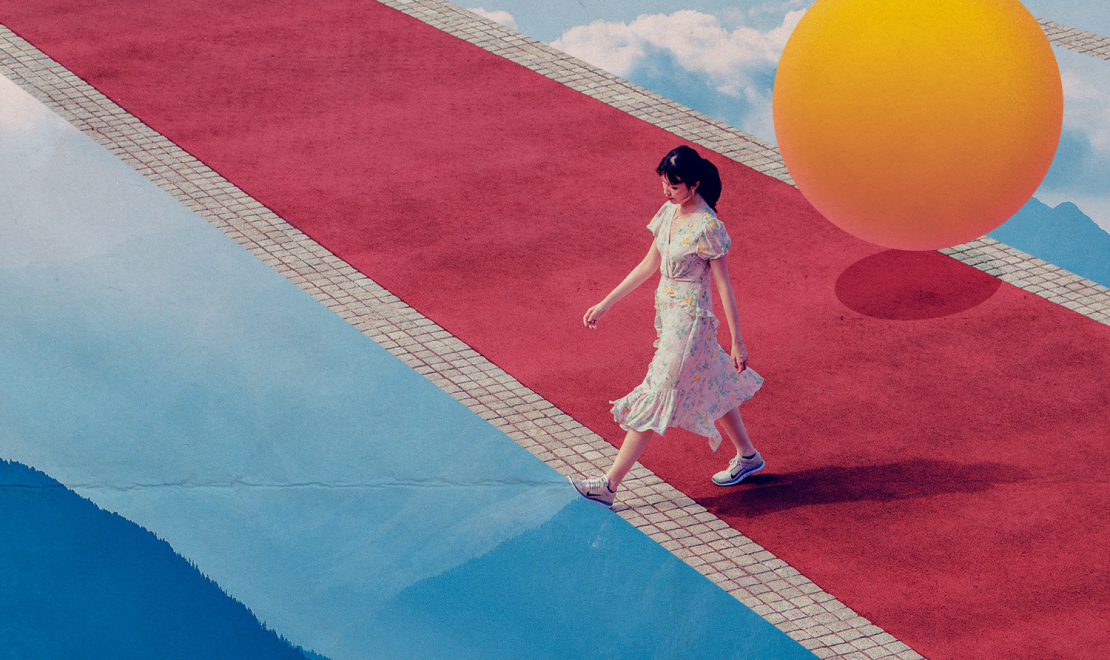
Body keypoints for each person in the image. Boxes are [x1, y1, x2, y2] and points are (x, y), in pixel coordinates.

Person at [570, 146, 765, 507]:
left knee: (655, 392)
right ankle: (749, 457)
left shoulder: (708, 227)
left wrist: (738, 341)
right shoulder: (668, 212)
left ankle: (609, 486)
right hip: (669, 315)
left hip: (690, 324)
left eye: (673, 187)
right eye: (664, 184)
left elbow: (724, 286)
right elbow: (647, 266)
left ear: (694, 185)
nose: (667, 192)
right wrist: (605, 303)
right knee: (713, 383)